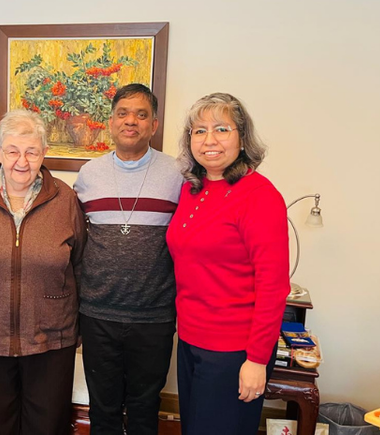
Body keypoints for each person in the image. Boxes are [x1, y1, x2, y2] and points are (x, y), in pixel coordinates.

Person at [0, 109, 86, 435]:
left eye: (31, 151)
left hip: (52, 336)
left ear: (44, 153)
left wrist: (79, 327)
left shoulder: (65, 199)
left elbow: (79, 264)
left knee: (47, 425)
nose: (21, 161)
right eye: (12, 151)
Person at [167, 93, 289, 434]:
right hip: (191, 340)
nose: (209, 141)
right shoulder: (192, 190)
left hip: (233, 351)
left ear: (242, 137)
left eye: (221, 129)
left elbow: (273, 286)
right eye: (199, 130)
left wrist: (257, 359)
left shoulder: (259, 196)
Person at [73, 83, 183, 434]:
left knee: (144, 406)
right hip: (98, 313)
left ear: (154, 124)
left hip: (154, 315)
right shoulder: (89, 175)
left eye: (141, 114)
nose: (130, 121)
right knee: (102, 406)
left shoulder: (178, 175)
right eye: (122, 113)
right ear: (110, 122)